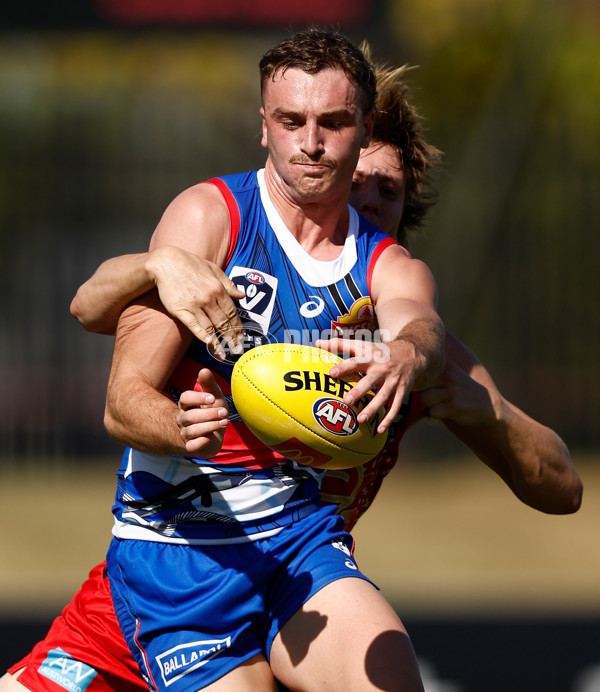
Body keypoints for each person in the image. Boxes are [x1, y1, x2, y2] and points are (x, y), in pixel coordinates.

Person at [1, 40, 582, 692]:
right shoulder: (219, 225)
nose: (352, 196)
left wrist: (490, 412)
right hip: (165, 568)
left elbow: (563, 489)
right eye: (295, 126)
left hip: (295, 556)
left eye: (381, 191)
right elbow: (93, 316)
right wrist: (153, 271)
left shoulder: (405, 346)